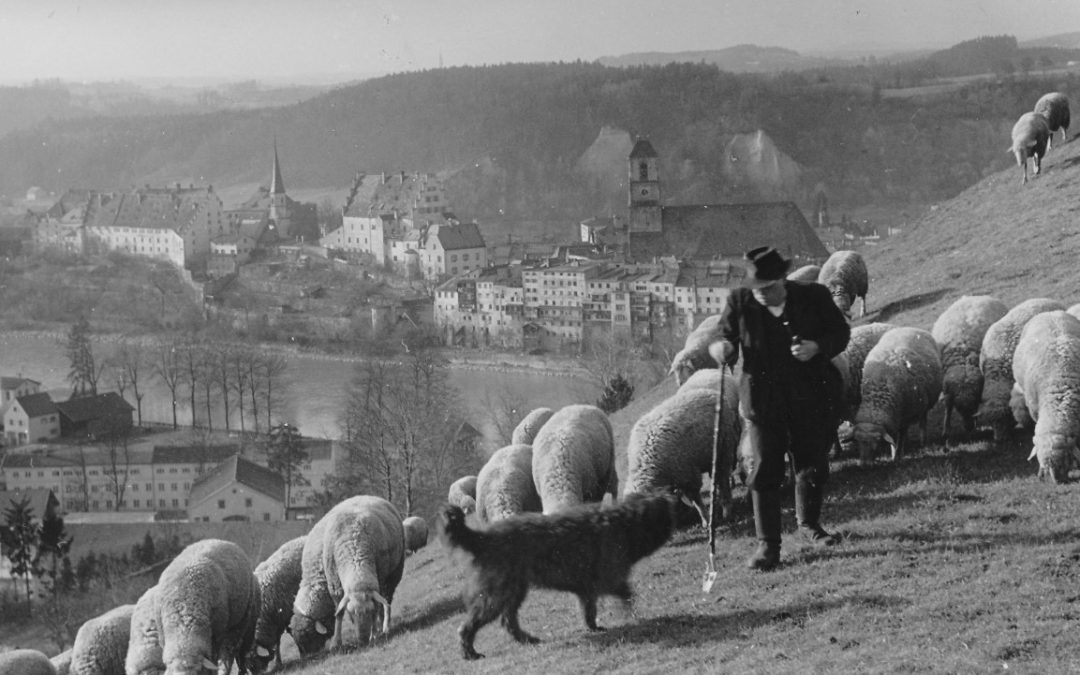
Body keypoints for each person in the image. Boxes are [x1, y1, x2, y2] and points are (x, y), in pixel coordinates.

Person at [708, 245, 850, 571]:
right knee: (763, 469)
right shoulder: (741, 302)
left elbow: (840, 333)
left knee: (812, 464)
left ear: (783, 279)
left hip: (811, 396)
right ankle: (767, 546)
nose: (762, 295)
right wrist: (723, 347)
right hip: (763, 402)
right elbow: (723, 336)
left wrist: (817, 347)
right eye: (757, 289)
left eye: (769, 288)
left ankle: (811, 527)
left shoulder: (813, 296)